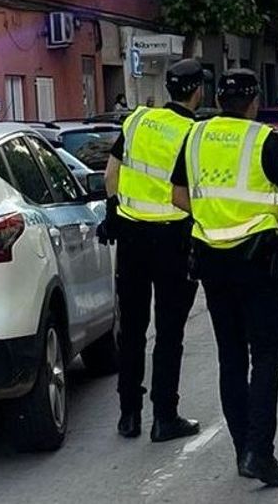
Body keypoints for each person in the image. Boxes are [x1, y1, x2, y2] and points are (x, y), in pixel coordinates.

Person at [171, 69, 278, 487]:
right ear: (253, 101)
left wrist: (212, 220)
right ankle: (260, 454)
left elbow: (178, 196)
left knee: (231, 357)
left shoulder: (194, 136)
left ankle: (241, 451)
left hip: (211, 263)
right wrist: (273, 227)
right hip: (255, 262)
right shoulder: (261, 139)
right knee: (266, 356)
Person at [103, 59, 212, 443]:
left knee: (131, 330)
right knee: (169, 332)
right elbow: (194, 193)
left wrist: (113, 212)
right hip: (174, 241)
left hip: (131, 239)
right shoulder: (194, 134)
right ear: (198, 90)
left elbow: (110, 174)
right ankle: (164, 417)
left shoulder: (137, 120)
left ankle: (128, 414)